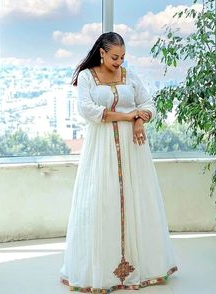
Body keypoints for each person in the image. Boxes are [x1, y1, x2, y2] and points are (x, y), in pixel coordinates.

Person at [60, 31, 178, 293]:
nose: (119, 62)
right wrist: (127, 117)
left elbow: (147, 102)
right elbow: (88, 110)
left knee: (137, 199)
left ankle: (142, 266)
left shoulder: (129, 75)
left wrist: (139, 120)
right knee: (103, 199)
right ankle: (101, 269)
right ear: (101, 52)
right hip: (101, 148)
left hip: (133, 149)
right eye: (115, 57)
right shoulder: (87, 76)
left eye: (123, 57)